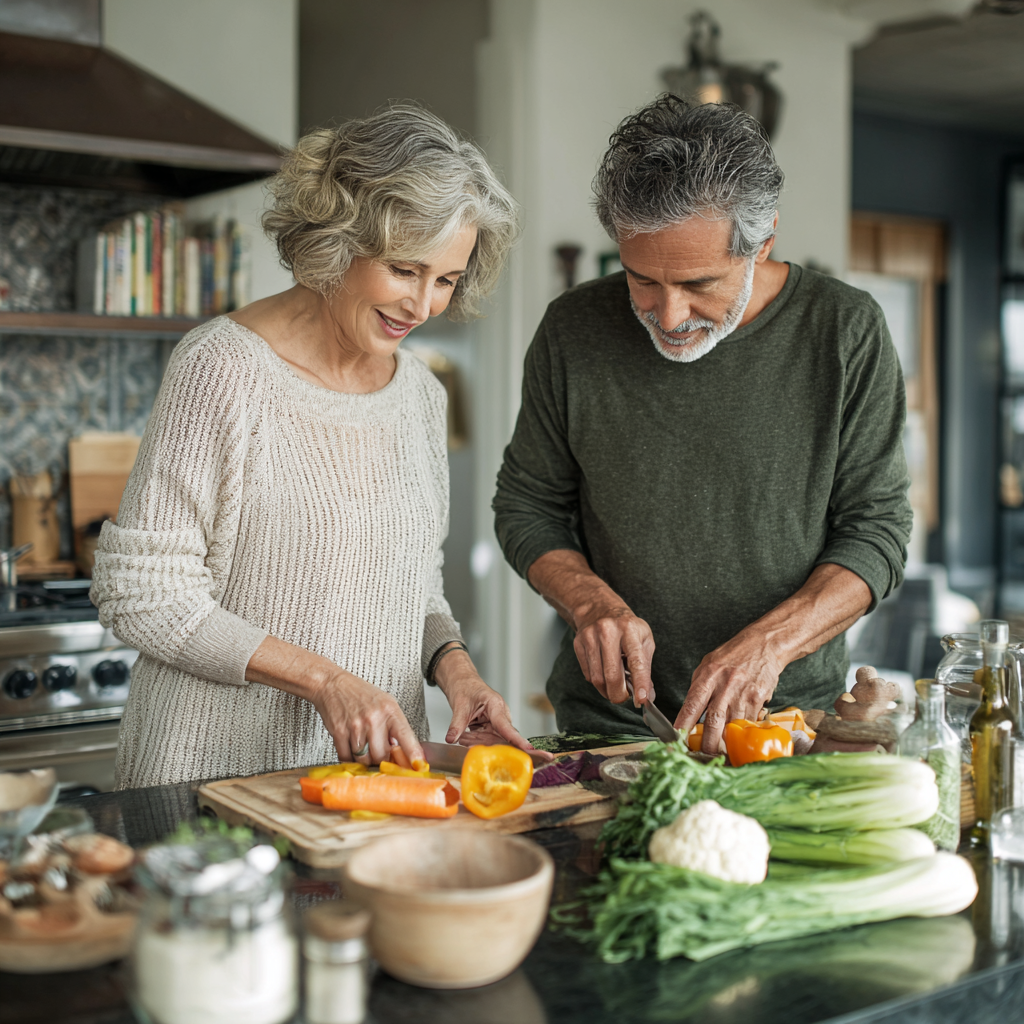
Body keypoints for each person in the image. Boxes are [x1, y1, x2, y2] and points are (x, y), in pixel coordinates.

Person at [91, 105, 548, 789]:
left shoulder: (421, 394)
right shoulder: (221, 368)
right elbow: (143, 596)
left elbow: (410, 587)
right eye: (404, 269)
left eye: (447, 280)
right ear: (337, 243)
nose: (423, 306)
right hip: (212, 788)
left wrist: (456, 666)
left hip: (371, 785)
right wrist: (324, 680)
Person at [493, 95, 912, 756]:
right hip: (612, 728)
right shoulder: (571, 330)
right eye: (641, 280)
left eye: (698, 283)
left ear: (764, 239)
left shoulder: (844, 331)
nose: (668, 313)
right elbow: (527, 506)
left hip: (786, 726)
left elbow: (877, 533)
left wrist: (769, 645)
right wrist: (589, 603)